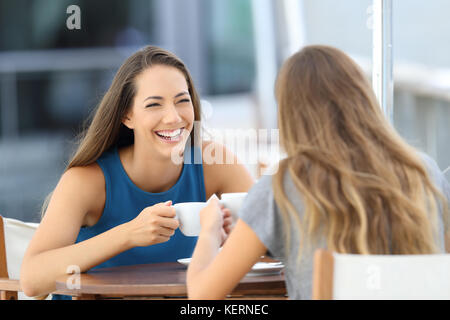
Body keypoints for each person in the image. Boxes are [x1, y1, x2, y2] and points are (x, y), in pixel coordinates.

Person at [186, 45, 450, 299]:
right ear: (363, 97)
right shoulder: (424, 172)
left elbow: (201, 294)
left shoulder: (283, 189)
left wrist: (210, 229)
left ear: (290, 115)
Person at [20, 46, 253, 299]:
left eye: (182, 101)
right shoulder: (86, 181)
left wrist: (231, 239)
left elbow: (274, 234)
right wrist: (129, 234)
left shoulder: (213, 163)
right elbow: (32, 279)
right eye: (154, 105)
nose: (173, 117)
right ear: (127, 116)